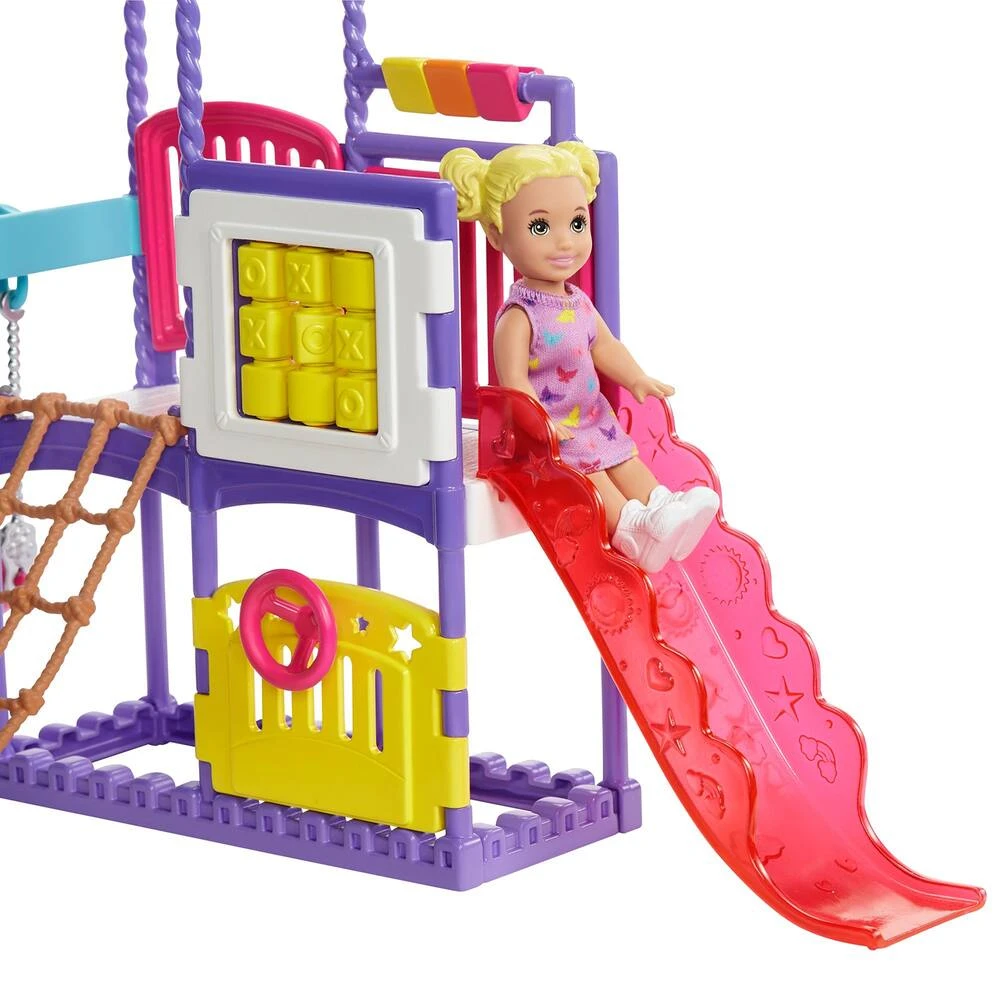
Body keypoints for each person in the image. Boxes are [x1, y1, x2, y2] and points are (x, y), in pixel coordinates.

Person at [441, 142, 719, 572]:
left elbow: (605, 345)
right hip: (546, 433)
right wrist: (541, 423)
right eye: (540, 227)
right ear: (496, 235)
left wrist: (636, 377)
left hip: (589, 415)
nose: (564, 241)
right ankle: (630, 528)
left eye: (576, 223)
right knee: (590, 471)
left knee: (623, 456)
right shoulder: (519, 316)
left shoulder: (579, 302)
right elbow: (513, 380)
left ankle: (663, 508)